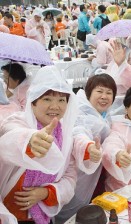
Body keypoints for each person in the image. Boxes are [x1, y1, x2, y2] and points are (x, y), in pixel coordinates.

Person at [0, 66, 78, 223]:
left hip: (42, 215)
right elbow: (10, 136)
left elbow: (70, 176)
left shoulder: (66, 137)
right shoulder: (19, 121)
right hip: (10, 215)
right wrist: (30, 140)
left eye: (61, 100)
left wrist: (46, 193)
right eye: (47, 99)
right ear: (33, 102)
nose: (55, 106)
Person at [55, 73, 117, 223]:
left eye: (109, 93)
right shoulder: (81, 114)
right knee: (76, 215)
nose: (104, 96)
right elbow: (78, 132)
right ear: (89, 93)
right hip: (79, 175)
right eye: (99, 91)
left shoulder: (103, 113)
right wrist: (88, 147)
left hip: (96, 174)